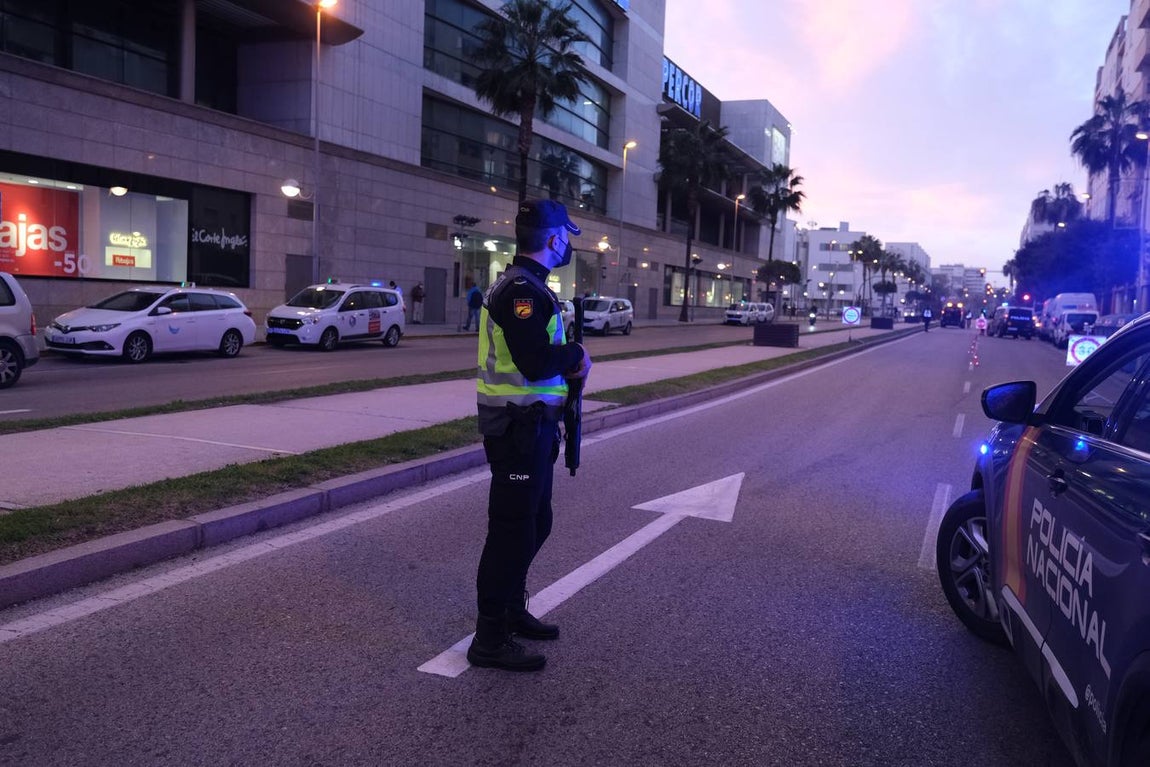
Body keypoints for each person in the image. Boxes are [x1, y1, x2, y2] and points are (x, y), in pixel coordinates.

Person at [468, 199, 592, 672]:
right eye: (568, 237)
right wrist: (577, 353)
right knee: (510, 534)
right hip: (515, 430)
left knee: (535, 524)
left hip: (532, 426)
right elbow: (536, 361)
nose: (569, 246)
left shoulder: (531, 287)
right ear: (554, 238)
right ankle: (489, 638)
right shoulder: (522, 291)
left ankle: (513, 610)